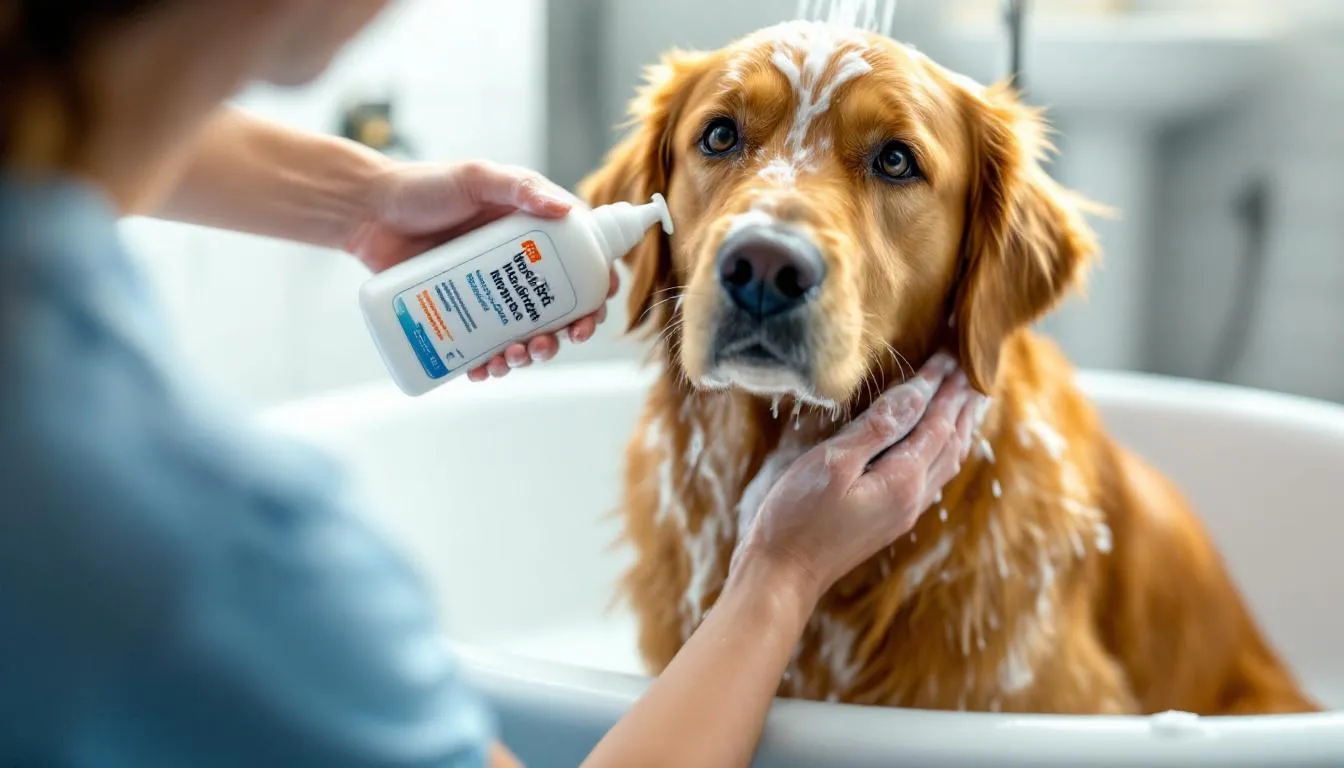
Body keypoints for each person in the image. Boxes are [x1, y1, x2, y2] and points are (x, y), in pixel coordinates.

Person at [0, 2, 986, 766]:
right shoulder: (221, 552)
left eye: (894, 162)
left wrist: (361, 201)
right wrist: (780, 573)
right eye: (723, 140)